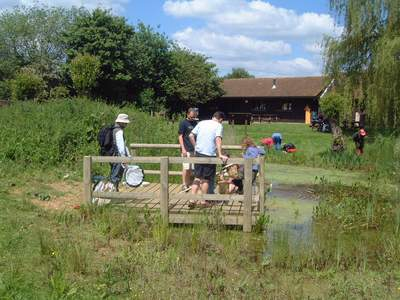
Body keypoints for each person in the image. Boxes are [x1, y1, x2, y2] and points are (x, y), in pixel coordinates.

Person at [189, 111, 228, 208]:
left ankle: (192, 200)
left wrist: (196, 147)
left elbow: (190, 135)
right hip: (209, 155)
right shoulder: (218, 126)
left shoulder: (202, 122)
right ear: (220, 119)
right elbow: (218, 139)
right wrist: (220, 154)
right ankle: (203, 201)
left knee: (197, 177)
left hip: (198, 153)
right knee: (205, 179)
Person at [178, 107, 198, 191]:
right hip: (186, 148)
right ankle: (184, 184)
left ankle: (188, 183)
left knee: (191, 168)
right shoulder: (183, 123)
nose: (193, 117)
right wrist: (183, 148)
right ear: (188, 114)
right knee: (186, 167)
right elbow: (180, 136)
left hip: (194, 149)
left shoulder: (196, 123)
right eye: (192, 115)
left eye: (194, 115)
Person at [110, 113, 131, 191]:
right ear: (121, 122)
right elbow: (121, 146)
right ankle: (113, 194)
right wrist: (123, 158)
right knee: (116, 176)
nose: (126, 124)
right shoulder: (119, 131)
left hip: (113, 155)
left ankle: (113, 192)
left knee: (114, 174)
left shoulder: (114, 129)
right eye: (125, 123)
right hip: (118, 156)